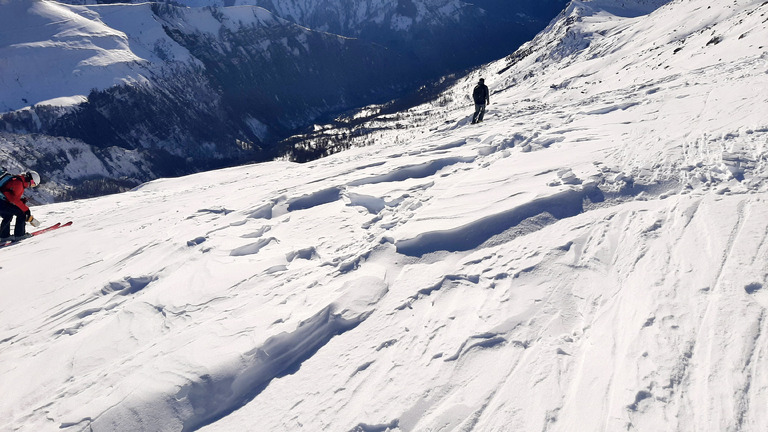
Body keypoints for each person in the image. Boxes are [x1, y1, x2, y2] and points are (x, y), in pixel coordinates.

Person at [0, 170, 41, 241]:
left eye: (33, 185)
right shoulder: (18, 183)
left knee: (8, 215)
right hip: (1, 202)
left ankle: (4, 236)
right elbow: (14, 200)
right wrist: (26, 210)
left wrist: (21, 202)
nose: (31, 186)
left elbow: (11, 196)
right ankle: (20, 235)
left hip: (2, 201)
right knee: (21, 214)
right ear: (29, 178)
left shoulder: (19, 181)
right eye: (32, 183)